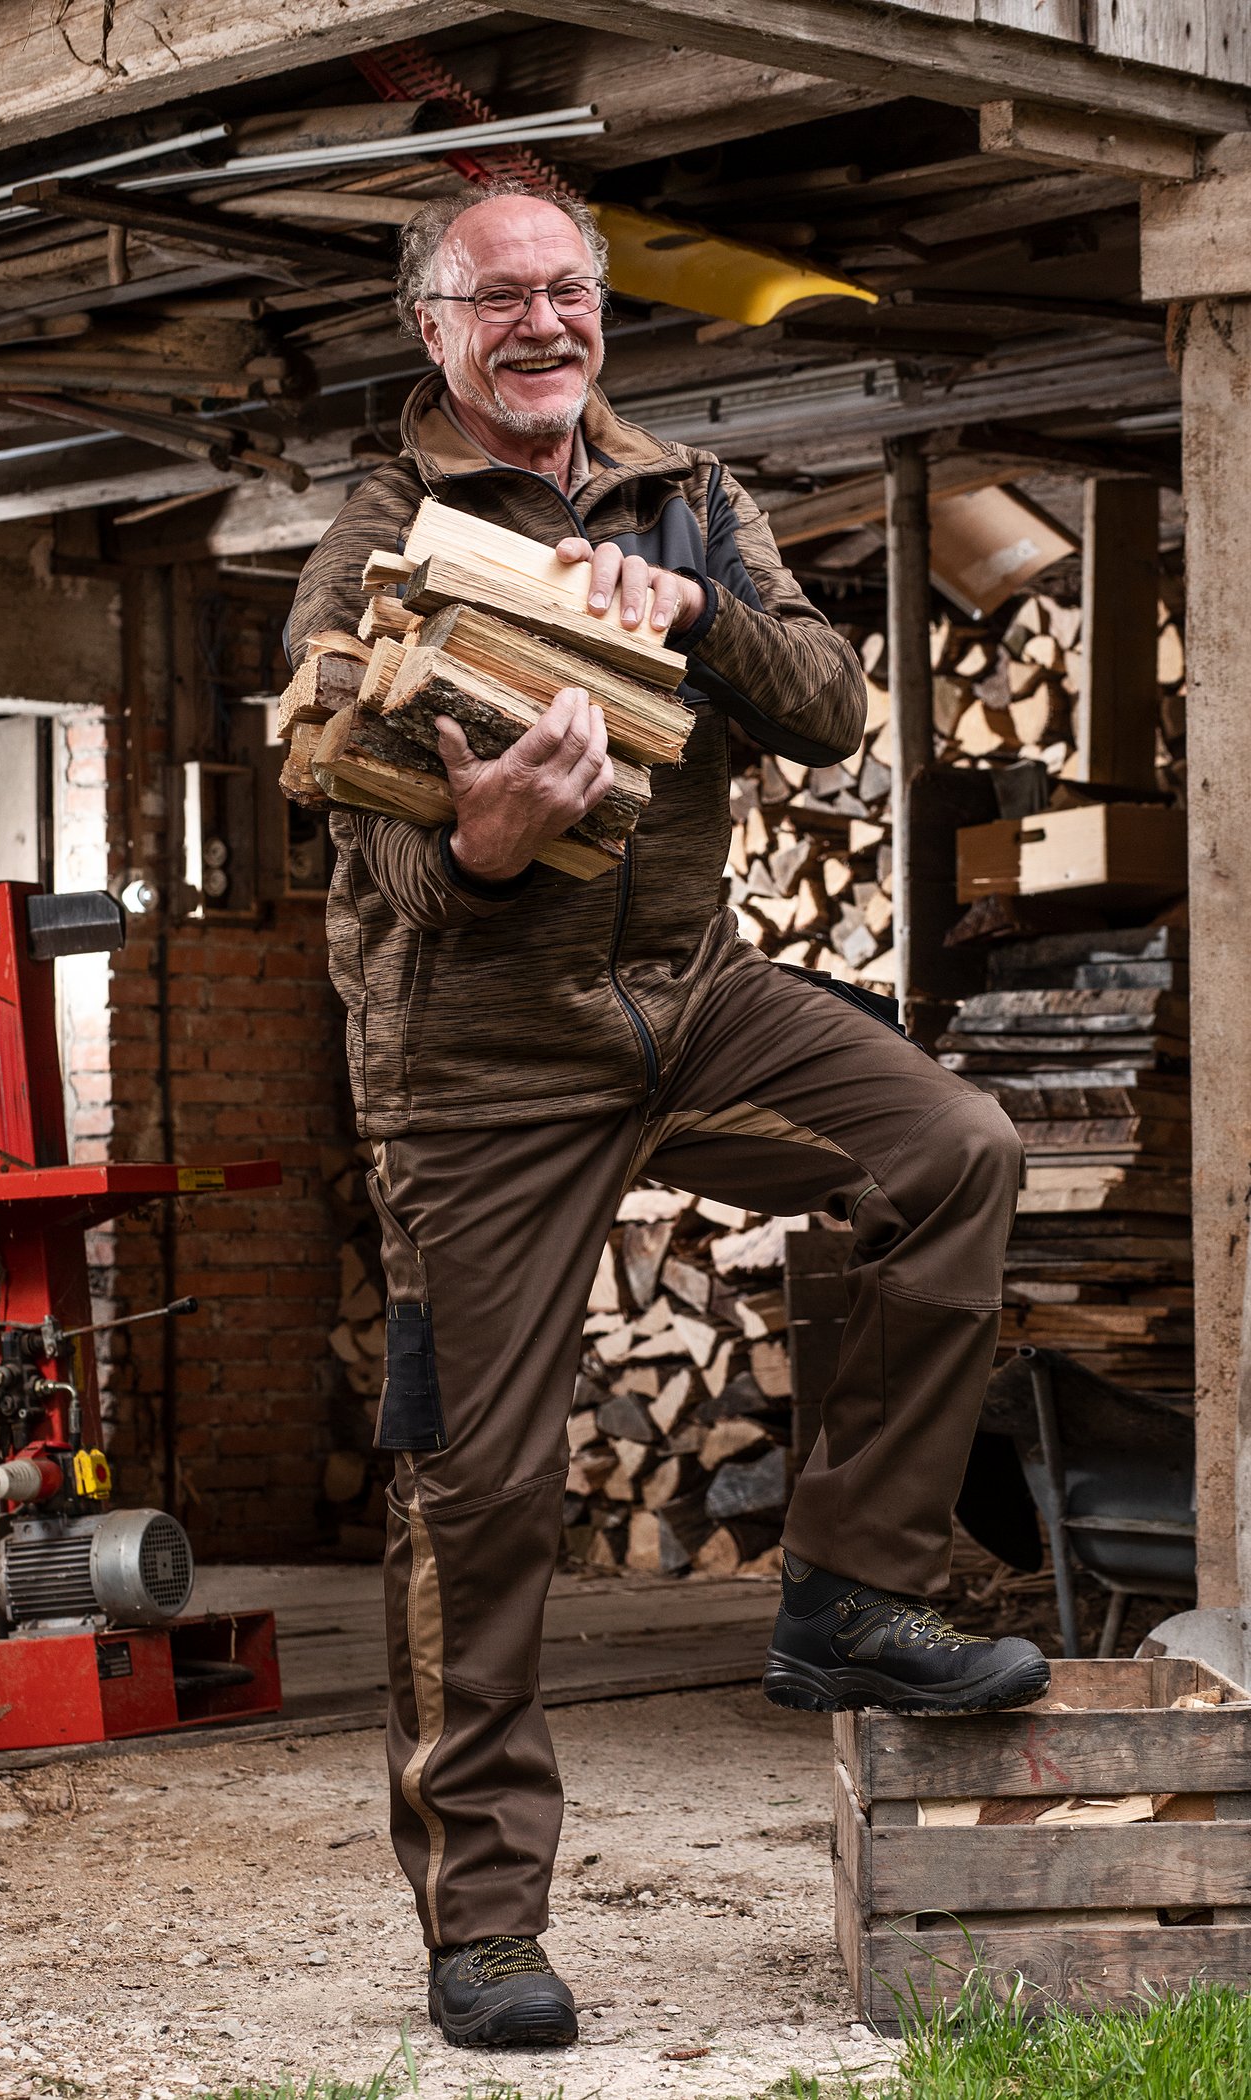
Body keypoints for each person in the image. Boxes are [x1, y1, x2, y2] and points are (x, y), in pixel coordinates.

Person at [286, 179, 1047, 2052]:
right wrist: (481, 842)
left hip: (686, 1005)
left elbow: (831, 706)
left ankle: (854, 1590)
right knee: (479, 1495)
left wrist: (698, 609)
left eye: (570, 292)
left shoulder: (692, 493)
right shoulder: (379, 538)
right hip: (476, 1068)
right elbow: (360, 840)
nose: (543, 326)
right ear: (433, 331)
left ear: (602, 313)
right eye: (498, 301)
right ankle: (483, 1930)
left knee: (950, 1151)